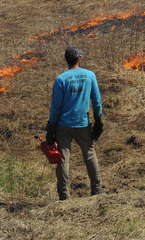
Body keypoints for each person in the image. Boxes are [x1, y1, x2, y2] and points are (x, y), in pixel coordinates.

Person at [46, 46, 103, 200]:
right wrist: (99, 120)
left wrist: (51, 127)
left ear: (67, 60)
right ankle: (96, 189)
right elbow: (97, 101)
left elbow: (55, 107)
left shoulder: (61, 79)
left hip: (63, 125)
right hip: (82, 123)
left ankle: (64, 195)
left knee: (63, 159)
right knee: (90, 154)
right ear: (78, 59)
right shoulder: (90, 75)